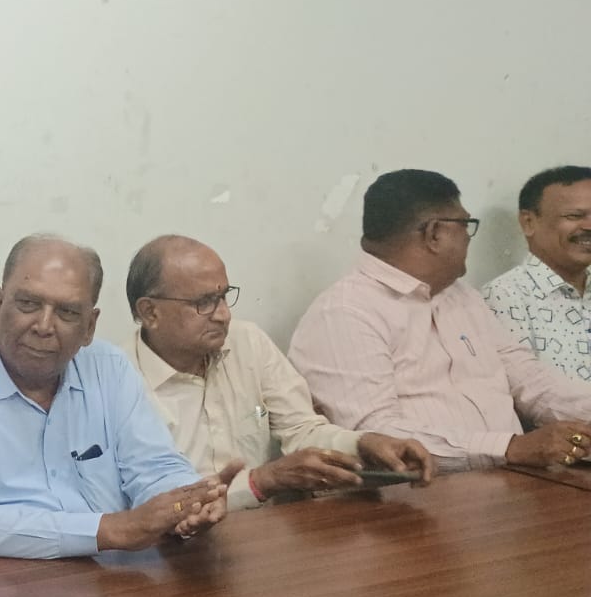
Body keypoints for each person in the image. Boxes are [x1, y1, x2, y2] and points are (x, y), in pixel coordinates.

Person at [0, 235, 231, 569]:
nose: (43, 326)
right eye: (28, 304)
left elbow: (155, 466)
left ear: (90, 327)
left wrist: (187, 503)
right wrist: (110, 530)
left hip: (100, 582)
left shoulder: (109, 368)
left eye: (67, 312)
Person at [289, 169, 591, 473]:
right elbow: (378, 436)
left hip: (511, 480)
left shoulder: (460, 295)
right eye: (465, 225)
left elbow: (529, 379)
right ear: (434, 234)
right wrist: (509, 448)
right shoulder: (345, 313)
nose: (468, 237)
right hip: (414, 493)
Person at [125, 235, 434, 507]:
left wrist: (363, 444)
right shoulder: (119, 380)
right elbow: (159, 501)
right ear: (150, 312)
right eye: (204, 302)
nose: (223, 315)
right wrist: (261, 481)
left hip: (263, 532)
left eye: (223, 296)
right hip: (173, 544)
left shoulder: (247, 342)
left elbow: (301, 430)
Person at [482, 165, 591, 383]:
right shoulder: (504, 295)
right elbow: (523, 388)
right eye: (574, 216)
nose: (589, 226)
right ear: (529, 222)